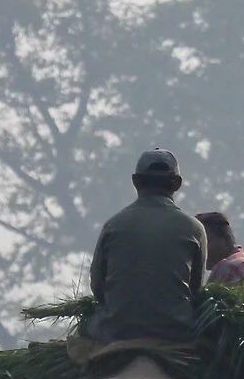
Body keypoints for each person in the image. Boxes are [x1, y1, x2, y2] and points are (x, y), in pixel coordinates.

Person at [87, 148, 206, 345]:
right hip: (177, 333)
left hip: (115, 332)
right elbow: (195, 291)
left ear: (136, 181)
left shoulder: (114, 225)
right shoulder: (194, 229)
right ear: (177, 184)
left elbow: (97, 287)